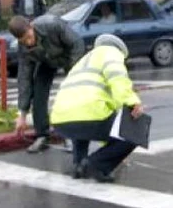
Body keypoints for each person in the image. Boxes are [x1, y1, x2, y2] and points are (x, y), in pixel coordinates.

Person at [51, 34, 143, 183]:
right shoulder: (112, 53)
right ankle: (96, 164)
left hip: (61, 120)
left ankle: (79, 165)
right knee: (136, 130)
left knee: (81, 120)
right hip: (88, 116)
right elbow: (118, 78)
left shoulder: (83, 61)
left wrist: (111, 148)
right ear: (120, 51)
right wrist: (133, 102)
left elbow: (105, 117)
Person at [8, 14, 83, 153]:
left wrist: (73, 72)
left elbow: (77, 43)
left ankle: (71, 136)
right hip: (47, 61)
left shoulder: (52, 25)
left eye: (29, 37)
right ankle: (42, 135)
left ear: (31, 26)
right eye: (24, 41)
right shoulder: (23, 47)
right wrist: (22, 114)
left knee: (69, 94)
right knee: (38, 94)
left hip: (69, 56)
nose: (29, 43)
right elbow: (24, 78)